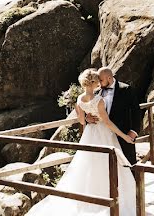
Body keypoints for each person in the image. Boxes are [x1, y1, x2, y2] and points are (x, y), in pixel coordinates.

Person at [25, 69, 136, 216]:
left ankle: (93, 199)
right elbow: (107, 122)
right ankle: (112, 200)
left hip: (90, 136)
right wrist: (123, 136)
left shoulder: (79, 99)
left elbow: (82, 121)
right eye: (97, 80)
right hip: (105, 134)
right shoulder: (99, 100)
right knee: (109, 164)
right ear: (94, 82)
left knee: (90, 165)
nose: (99, 83)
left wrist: (88, 119)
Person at [85, 67, 142, 165]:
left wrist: (134, 131)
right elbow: (91, 111)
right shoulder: (96, 92)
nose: (98, 83)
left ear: (109, 78)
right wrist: (87, 119)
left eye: (101, 80)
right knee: (106, 165)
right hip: (102, 136)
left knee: (127, 165)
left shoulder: (126, 89)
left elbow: (136, 112)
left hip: (123, 135)